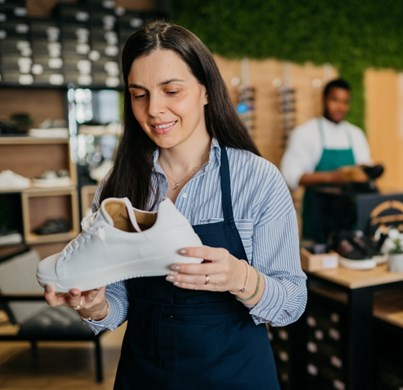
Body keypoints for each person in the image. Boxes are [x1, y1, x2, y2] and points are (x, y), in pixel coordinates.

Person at [43, 21, 307, 388]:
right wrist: (94, 306)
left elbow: (292, 303)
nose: (154, 110)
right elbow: (118, 301)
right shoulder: (117, 185)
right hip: (145, 374)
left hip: (236, 375)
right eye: (139, 94)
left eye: (171, 90)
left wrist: (241, 278)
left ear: (205, 90)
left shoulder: (258, 180)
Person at [280, 78, 372, 240]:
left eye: (344, 102)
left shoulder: (355, 134)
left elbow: (365, 170)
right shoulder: (305, 133)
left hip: (350, 220)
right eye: (335, 100)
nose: (340, 107)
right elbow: (290, 176)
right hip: (318, 219)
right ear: (324, 100)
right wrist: (332, 177)